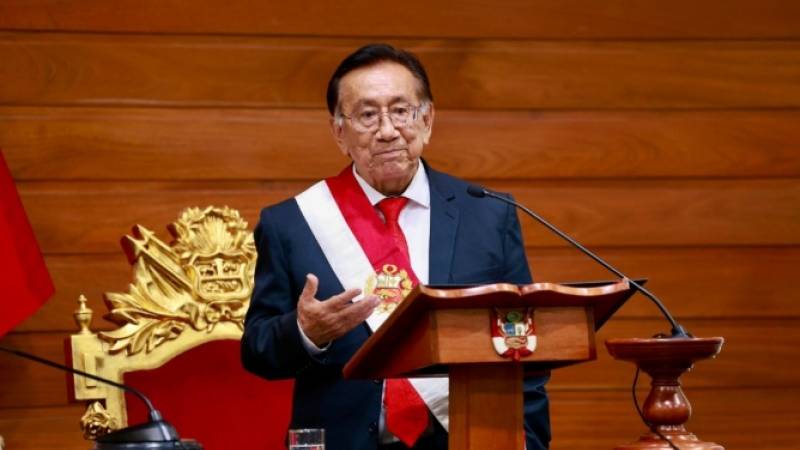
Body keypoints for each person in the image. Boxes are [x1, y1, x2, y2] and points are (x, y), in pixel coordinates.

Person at [241, 44, 550, 450]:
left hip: (466, 439)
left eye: (401, 111)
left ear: (427, 120)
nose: (387, 130)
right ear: (339, 133)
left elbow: (523, 342)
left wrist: (529, 441)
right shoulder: (292, 224)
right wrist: (305, 333)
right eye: (367, 115)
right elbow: (257, 352)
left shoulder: (488, 214)